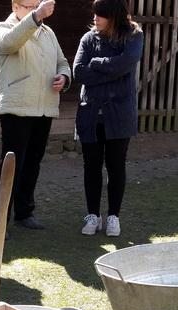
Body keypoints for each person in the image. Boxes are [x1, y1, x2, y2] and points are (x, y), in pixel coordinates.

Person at [0, 1, 70, 232]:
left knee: (33, 163)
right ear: (15, 7)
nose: (35, 9)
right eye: (29, 5)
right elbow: (9, 43)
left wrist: (64, 77)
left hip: (44, 107)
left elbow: (62, 62)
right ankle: (0, 219)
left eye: (37, 4)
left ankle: (24, 212)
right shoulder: (2, 28)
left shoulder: (48, 33)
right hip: (17, 108)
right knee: (11, 166)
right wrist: (35, 17)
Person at [73, 0, 143, 237]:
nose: (95, 18)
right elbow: (79, 72)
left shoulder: (133, 36)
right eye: (95, 14)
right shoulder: (88, 39)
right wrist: (112, 72)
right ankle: (93, 215)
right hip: (91, 114)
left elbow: (125, 64)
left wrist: (97, 63)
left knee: (116, 166)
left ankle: (114, 216)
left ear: (114, 16)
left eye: (101, 15)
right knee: (91, 166)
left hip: (119, 114)